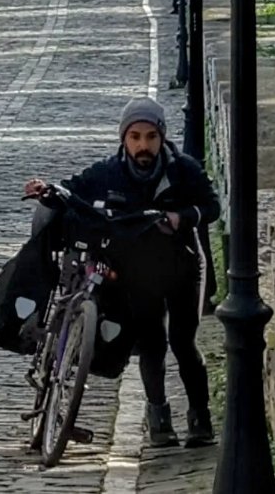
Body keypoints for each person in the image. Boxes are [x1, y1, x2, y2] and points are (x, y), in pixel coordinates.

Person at [24, 96, 219, 450]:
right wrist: (46, 191)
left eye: (150, 137)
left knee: (182, 341)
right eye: (135, 137)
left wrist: (182, 218)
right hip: (138, 271)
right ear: (124, 139)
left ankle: (200, 418)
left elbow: (211, 206)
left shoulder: (183, 170)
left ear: (161, 137)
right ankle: (159, 421)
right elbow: (73, 189)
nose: (143, 146)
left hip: (183, 267)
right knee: (152, 344)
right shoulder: (108, 172)